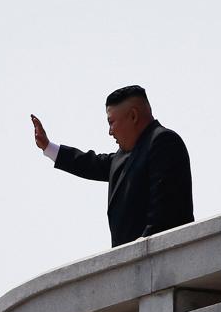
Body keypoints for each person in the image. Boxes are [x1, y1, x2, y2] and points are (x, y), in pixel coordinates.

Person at [31, 85, 194, 247]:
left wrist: (137, 254)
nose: (110, 132)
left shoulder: (163, 142)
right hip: (135, 264)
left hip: (162, 260)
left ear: (133, 116)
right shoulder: (124, 156)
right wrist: (48, 147)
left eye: (111, 122)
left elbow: (164, 214)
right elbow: (92, 164)